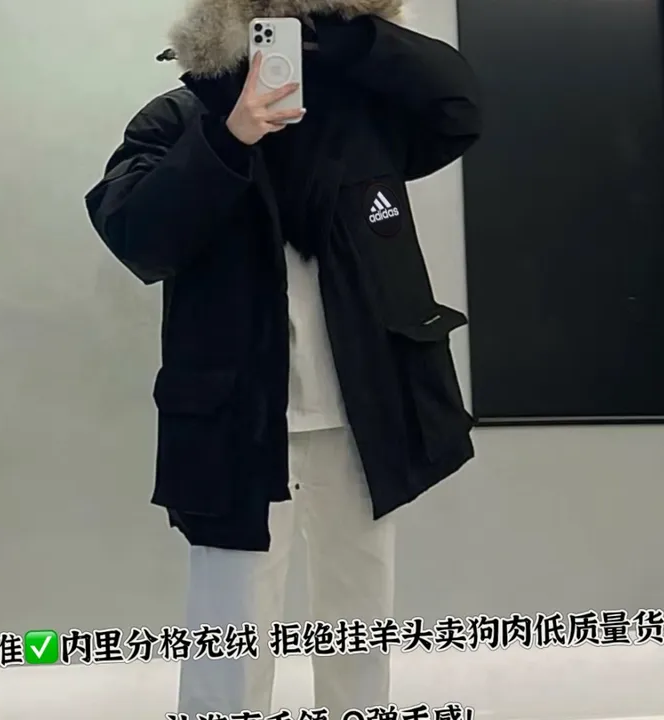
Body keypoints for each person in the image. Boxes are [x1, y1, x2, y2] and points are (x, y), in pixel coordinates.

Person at [85, 0, 481, 715]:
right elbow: (138, 235)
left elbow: (459, 107)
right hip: (238, 422)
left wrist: (351, 37)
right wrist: (228, 138)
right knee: (230, 623)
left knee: (360, 617)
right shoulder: (179, 119)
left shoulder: (364, 120)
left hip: (364, 412)